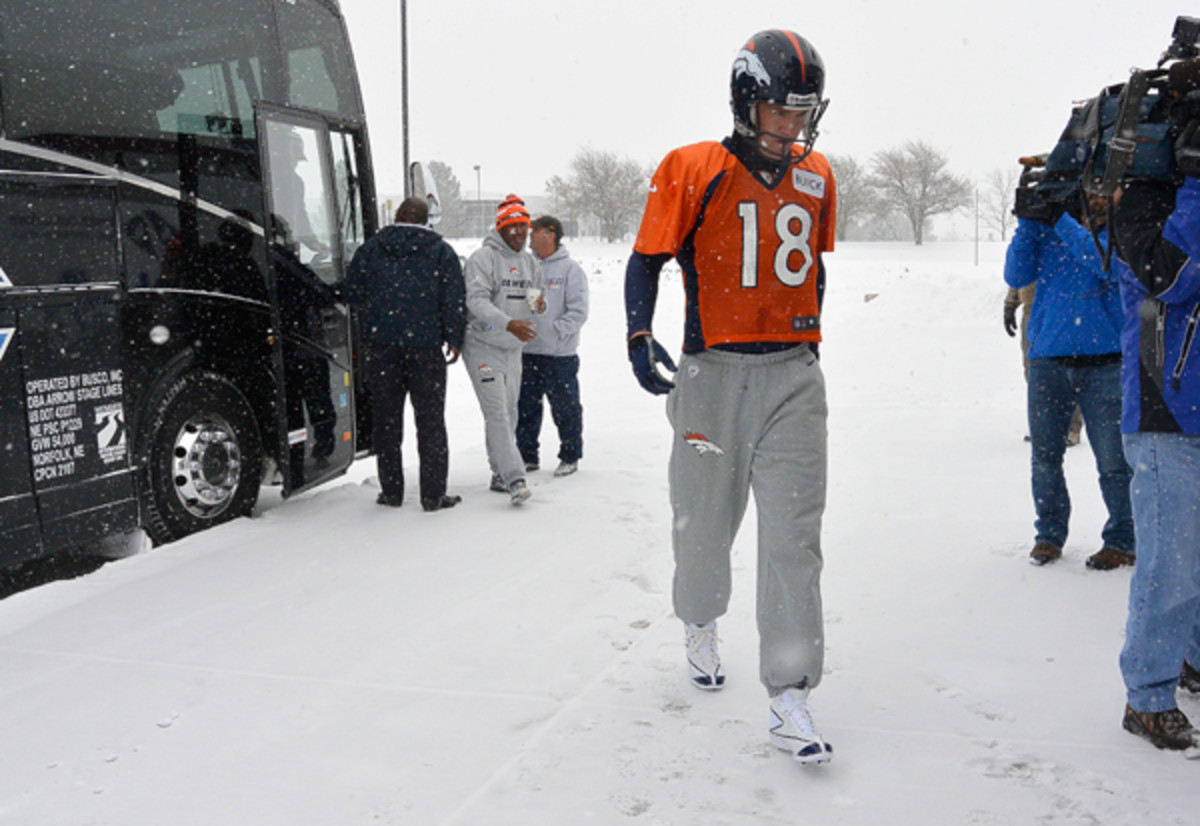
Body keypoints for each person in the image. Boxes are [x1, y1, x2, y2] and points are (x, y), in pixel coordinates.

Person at [624, 29, 836, 764]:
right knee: (706, 524)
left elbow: (811, 269)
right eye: (782, 112)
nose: (794, 128)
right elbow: (646, 261)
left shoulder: (818, 178)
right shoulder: (692, 167)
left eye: (803, 114)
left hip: (793, 379)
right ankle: (699, 619)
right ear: (748, 102)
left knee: (794, 540)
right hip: (711, 375)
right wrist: (637, 334)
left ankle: (790, 692)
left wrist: (807, 344)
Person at [1110, 175, 1200, 755]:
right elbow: (1174, 275)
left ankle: (1192, 659)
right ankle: (1147, 697)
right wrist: (1195, 183)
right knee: (1171, 561)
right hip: (1163, 408)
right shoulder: (1144, 201)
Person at [1003, 192, 1134, 570]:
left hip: (1105, 363)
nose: (1092, 197)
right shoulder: (1045, 232)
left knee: (1113, 461)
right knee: (1045, 458)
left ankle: (1122, 539)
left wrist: (1060, 220)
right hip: (1048, 361)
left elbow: (1103, 264)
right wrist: (1028, 223)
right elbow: (1015, 275)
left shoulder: (1115, 231)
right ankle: (1048, 536)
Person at [343, 196, 465, 511]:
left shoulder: (371, 248)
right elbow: (453, 298)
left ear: (397, 215)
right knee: (431, 422)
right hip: (426, 349)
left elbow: (352, 291)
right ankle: (433, 495)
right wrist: (454, 338)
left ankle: (392, 492)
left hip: (381, 348)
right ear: (426, 220)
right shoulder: (441, 252)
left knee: (386, 421)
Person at [462, 194, 544, 505]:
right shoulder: (482, 259)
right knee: (496, 413)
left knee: (509, 413)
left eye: (524, 227)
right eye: (513, 228)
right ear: (501, 229)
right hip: (483, 346)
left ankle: (498, 471)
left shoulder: (529, 262)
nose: (520, 234)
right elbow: (476, 301)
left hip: (513, 349)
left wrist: (538, 304)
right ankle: (515, 478)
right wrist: (509, 323)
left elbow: (534, 297)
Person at [516, 214, 589, 478]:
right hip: (526, 353)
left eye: (534, 231)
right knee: (525, 410)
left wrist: (557, 332)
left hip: (559, 356)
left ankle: (570, 456)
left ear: (551, 234)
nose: (529, 236)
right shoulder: (524, 266)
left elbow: (579, 311)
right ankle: (527, 457)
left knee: (566, 409)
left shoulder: (570, 270)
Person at [1004, 283, 1083, 445]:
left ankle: (1071, 427)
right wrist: (1011, 303)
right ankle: (1045, 427)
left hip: (1065, 308)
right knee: (1033, 372)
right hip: (1032, 309)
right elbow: (1021, 268)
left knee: (1067, 370)